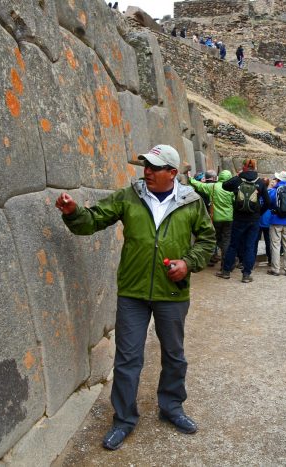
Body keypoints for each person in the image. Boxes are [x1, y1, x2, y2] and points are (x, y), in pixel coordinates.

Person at [55, 145, 216, 450]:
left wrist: (189, 262)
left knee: (174, 355)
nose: (147, 172)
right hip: (133, 292)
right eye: (146, 166)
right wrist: (73, 213)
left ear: (172, 173)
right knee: (128, 359)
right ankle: (124, 420)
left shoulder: (192, 201)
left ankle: (171, 408)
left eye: (155, 168)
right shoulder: (129, 196)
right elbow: (93, 220)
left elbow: (208, 240)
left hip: (172, 294)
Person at [217, 159, 270, 282]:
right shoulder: (260, 182)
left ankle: (226, 271)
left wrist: (238, 176)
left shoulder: (238, 180)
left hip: (239, 219)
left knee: (233, 245)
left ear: (244, 167)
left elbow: (225, 185)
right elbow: (267, 202)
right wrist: (258, 213)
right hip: (254, 220)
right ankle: (246, 275)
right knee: (250, 247)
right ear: (255, 167)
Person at [188, 169, 234, 267]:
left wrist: (189, 178)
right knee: (226, 241)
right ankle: (226, 264)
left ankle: (213, 258)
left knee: (214, 238)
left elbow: (199, 185)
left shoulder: (212, 186)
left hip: (216, 218)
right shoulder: (231, 188)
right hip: (229, 218)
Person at [267, 171, 286, 276]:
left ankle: (275, 269)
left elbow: (269, 202)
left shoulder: (274, 191)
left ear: (278, 180)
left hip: (275, 220)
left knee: (275, 245)